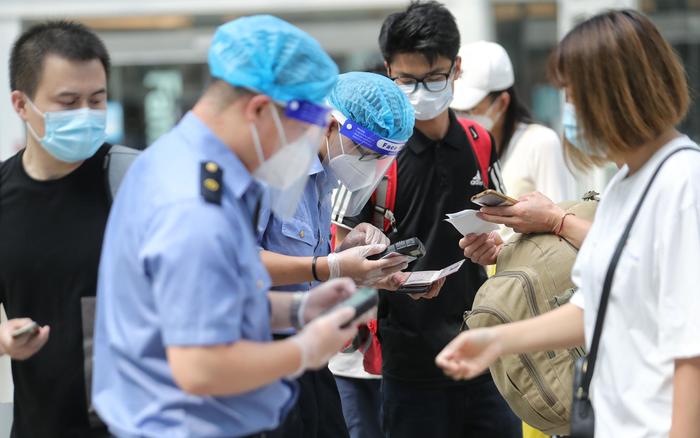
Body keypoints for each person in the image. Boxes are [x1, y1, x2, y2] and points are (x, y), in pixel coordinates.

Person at [92, 16, 368, 438]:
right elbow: (201, 367)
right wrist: (305, 350)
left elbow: (209, 303)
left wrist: (297, 310)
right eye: (302, 135)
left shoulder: (181, 161)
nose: (305, 152)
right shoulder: (195, 205)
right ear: (260, 110)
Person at [437, 10, 700, 438]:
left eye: (575, 96)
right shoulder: (625, 185)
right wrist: (497, 341)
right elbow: (593, 308)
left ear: (618, 93)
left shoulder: (683, 184)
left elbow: (692, 350)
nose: (569, 111)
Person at [338, 2, 521, 437]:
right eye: (407, 80)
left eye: (434, 77)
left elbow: (499, 226)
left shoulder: (478, 140)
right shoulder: (375, 153)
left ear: (456, 69)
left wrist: (494, 243)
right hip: (409, 363)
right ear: (388, 72)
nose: (422, 90)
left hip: (483, 348)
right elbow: (336, 250)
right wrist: (372, 263)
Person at [259, 71, 422, 438]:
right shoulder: (270, 170)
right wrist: (330, 266)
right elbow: (239, 263)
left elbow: (303, 267)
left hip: (310, 351)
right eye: (365, 153)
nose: (368, 167)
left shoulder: (324, 179)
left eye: (379, 160)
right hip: (262, 352)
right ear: (332, 125)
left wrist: (351, 260)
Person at [0, 21, 118, 437]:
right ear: (20, 104)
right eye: (68, 102)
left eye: (97, 100)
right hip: (41, 426)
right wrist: (3, 340)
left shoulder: (135, 179)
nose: (85, 114)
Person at [451, 40, 578, 203]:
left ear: (502, 103)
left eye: (471, 109)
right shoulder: (457, 150)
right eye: (455, 110)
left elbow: (560, 216)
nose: (463, 118)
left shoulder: (540, 143)